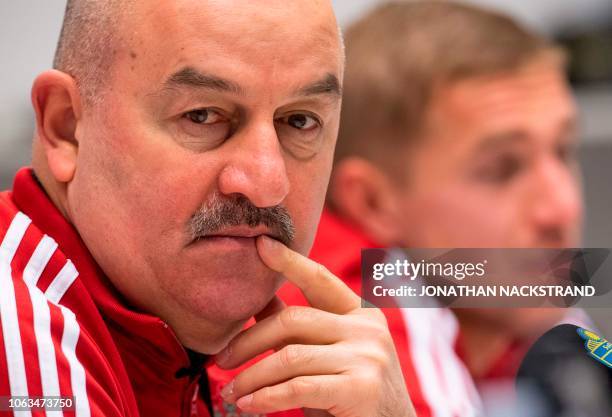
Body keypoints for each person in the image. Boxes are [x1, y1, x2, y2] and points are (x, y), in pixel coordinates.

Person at [0, 1, 417, 417]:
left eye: (299, 121)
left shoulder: (274, 363)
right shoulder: (18, 335)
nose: (267, 185)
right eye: (202, 116)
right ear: (66, 126)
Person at [280, 1, 584, 416]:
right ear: (372, 202)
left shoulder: (514, 299)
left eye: (563, 151)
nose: (561, 208)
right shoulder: (372, 299)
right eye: (502, 169)